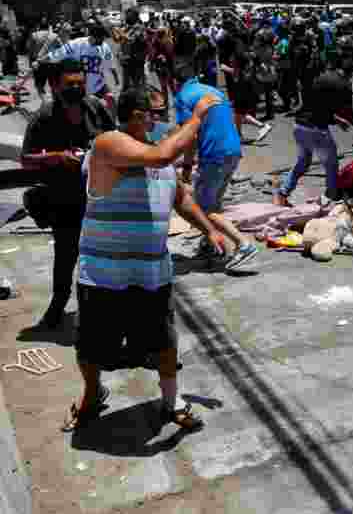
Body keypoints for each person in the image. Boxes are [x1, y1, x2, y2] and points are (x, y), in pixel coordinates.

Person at [64, 87, 227, 433]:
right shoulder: (108, 144)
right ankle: (93, 396)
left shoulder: (157, 152)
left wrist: (208, 228)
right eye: (157, 111)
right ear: (138, 115)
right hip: (104, 274)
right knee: (93, 347)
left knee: (165, 341)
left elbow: (180, 197)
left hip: (152, 272)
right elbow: (161, 158)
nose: (161, 118)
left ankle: (171, 402)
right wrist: (196, 118)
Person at [20, 59, 116, 328]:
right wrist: (56, 157)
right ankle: (58, 303)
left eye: (80, 83)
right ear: (55, 86)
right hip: (64, 201)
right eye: (69, 84)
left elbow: (115, 139)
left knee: (102, 255)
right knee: (65, 256)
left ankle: (103, 306)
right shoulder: (43, 117)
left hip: (99, 198)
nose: (76, 88)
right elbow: (26, 159)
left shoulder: (96, 108)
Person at [173, 63, 260, 269]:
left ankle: (243, 244)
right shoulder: (212, 89)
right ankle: (210, 242)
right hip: (233, 150)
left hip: (213, 154)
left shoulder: (183, 97)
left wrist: (186, 166)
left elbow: (190, 135)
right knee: (214, 203)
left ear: (176, 83)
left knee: (203, 208)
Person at [274, 54, 353, 208]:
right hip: (317, 131)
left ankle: (283, 192)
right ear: (352, 74)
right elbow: (349, 114)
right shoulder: (344, 84)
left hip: (300, 127)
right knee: (331, 165)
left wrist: (336, 119)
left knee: (303, 163)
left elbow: (315, 104)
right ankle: (330, 198)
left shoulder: (321, 76)